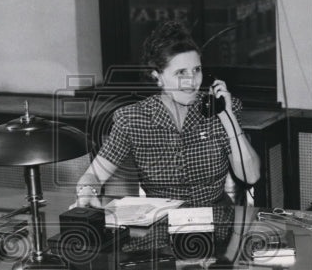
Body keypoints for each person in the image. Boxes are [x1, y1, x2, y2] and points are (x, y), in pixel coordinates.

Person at [74, 20, 261, 208]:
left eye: (196, 70)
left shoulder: (219, 110)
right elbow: (94, 175)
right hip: (162, 224)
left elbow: (251, 176)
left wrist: (227, 117)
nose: (192, 81)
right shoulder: (133, 119)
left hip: (218, 221)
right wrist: (87, 192)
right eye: (180, 72)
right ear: (158, 76)